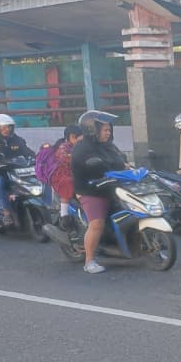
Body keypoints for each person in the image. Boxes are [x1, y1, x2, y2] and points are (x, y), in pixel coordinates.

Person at [71, 110, 127, 274]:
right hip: (91, 190)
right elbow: (97, 166)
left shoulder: (109, 146)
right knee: (97, 224)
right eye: (105, 130)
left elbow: (120, 160)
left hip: (112, 187)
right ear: (92, 129)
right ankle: (89, 262)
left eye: (109, 130)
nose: (108, 133)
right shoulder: (82, 148)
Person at [41, 124, 84, 225]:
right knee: (67, 183)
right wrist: (76, 158)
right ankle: (64, 215)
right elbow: (64, 158)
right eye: (77, 137)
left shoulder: (81, 146)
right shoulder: (63, 147)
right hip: (62, 173)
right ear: (70, 137)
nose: (80, 140)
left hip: (76, 171)